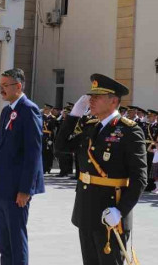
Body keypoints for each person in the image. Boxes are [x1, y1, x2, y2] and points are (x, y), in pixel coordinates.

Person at [55, 73, 147, 265]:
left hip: (111, 212)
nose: (91, 100)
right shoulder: (90, 127)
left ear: (113, 101)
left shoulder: (130, 131)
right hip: (86, 209)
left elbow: (139, 178)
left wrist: (120, 211)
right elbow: (61, 147)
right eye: (91, 96)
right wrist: (73, 117)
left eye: (97, 97)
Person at [0, 68, 44, 265]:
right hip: (1, 188)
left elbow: (33, 153)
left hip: (16, 191)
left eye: (5, 86)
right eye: (0, 85)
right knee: (4, 243)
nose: (1, 90)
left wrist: (25, 189)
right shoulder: (7, 111)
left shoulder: (29, 109)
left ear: (18, 86)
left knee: (16, 240)